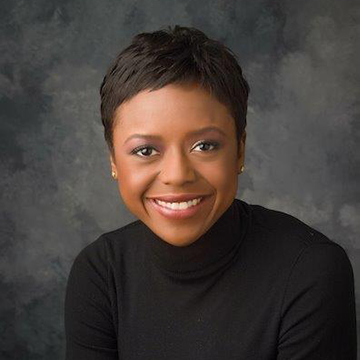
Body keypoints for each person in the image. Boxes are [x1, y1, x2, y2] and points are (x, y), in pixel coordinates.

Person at [64, 25, 357, 359]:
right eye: (145, 151)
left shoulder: (310, 270)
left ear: (240, 151)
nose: (177, 176)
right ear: (114, 160)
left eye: (205, 145)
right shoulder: (100, 273)